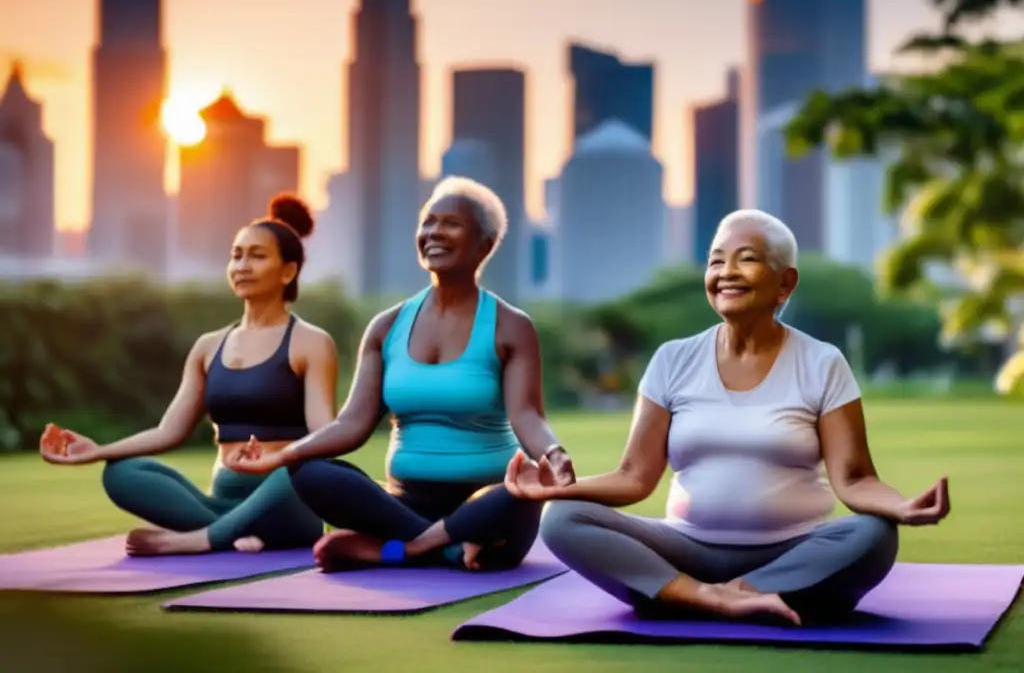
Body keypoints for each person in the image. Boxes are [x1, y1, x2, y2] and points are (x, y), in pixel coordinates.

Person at [508, 209, 951, 626]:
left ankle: (720, 592)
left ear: (785, 283)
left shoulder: (823, 362)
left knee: (873, 535)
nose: (727, 273)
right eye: (716, 261)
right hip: (685, 547)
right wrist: (558, 489)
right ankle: (708, 596)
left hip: (792, 552)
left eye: (748, 259)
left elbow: (854, 479)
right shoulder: (672, 359)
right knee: (562, 518)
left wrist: (901, 506)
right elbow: (634, 476)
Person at [225, 176, 576, 572]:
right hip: (405, 502)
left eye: (450, 223)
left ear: (485, 242)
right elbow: (353, 423)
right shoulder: (386, 326)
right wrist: (280, 455)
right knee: (310, 471)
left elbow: (527, 416)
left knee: (524, 488)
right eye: (427, 222)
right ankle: (445, 548)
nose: (433, 233)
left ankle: (401, 550)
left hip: (488, 504)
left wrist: (555, 454)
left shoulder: (511, 326)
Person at [39, 194, 335, 556]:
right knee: (121, 472)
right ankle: (226, 533)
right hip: (222, 501)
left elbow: (325, 439)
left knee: (305, 470)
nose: (242, 265)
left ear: (288, 271)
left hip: (287, 499)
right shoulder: (208, 347)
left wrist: (279, 457)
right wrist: (96, 452)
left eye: (257, 256)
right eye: (236, 254)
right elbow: (169, 431)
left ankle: (201, 540)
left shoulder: (311, 342)